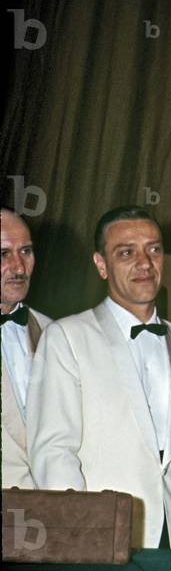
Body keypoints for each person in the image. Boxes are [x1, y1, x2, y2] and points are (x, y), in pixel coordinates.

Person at [28, 206, 171, 549]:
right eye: (126, 252)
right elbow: (53, 451)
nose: (144, 262)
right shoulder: (67, 337)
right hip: (102, 536)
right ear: (101, 264)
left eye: (154, 249)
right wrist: (81, 537)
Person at [1, 207, 51, 488]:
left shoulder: (54, 333)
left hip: (50, 516)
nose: (19, 267)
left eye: (26, 252)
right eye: (4, 254)